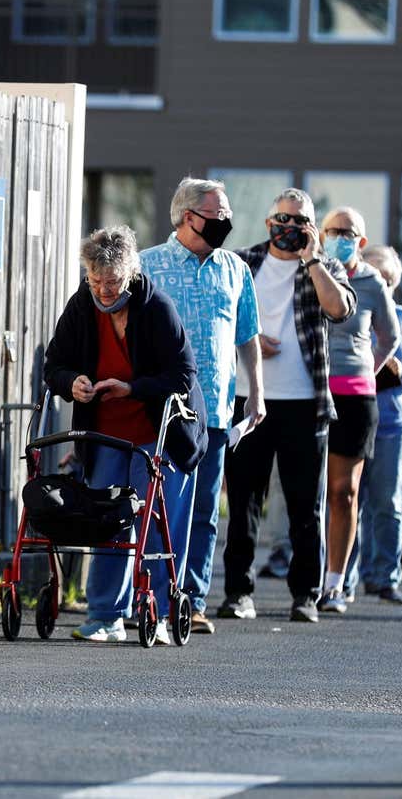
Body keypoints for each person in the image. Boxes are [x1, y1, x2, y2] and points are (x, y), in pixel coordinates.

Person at [45, 226, 206, 642]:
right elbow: (54, 364)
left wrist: (133, 387)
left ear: (130, 272)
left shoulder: (157, 308)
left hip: (160, 431)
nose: (102, 290)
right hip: (105, 432)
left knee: (159, 522)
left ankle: (164, 613)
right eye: (94, 280)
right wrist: (73, 382)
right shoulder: (82, 304)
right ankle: (104, 616)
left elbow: (183, 375)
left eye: (112, 282)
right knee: (107, 519)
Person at [221, 188, 356, 624]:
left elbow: (339, 310)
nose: (291, 228)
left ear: (312, 228)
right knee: (243, 502)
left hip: (304, 402)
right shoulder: (242, 262)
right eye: (284, 219)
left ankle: (306, 595)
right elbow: (220, 318)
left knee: (305, 506)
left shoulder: (326, 266)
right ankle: (238, 592)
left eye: (301, 222)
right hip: (248, 399)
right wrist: (251, 339)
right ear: (269, 222)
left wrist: (313, 260)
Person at [140, 177, 264, 635]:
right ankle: (151, 595)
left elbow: (247, 335)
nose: (225, 222)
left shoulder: (235, 269)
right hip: (161, 410)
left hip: (215, 407)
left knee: (205, 511)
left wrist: (257, 391)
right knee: (160, 506)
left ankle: (190, 600)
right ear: (187, 216)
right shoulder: (147, 265)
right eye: (217, 214)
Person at [317, 207, 398, 614]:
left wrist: (368, 369)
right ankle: (309, 580)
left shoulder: (372, 282)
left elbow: (390, 336)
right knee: (311, 492)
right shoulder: (311, 272)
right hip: (311, 394)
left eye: (347, 232)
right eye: (332, 230)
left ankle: (335, 583)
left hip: (356, 396)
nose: (339, 236)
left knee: (344, 492)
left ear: (361, 242)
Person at [344, 246, 402, 606]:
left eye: (389, 279)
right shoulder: (352, 312)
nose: (383, 284)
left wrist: (401, 373)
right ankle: (341, 579)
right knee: (348, 499)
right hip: (355, 416)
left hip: (394, 422)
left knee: (388, 503)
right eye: (376, 275)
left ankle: (383, 577)